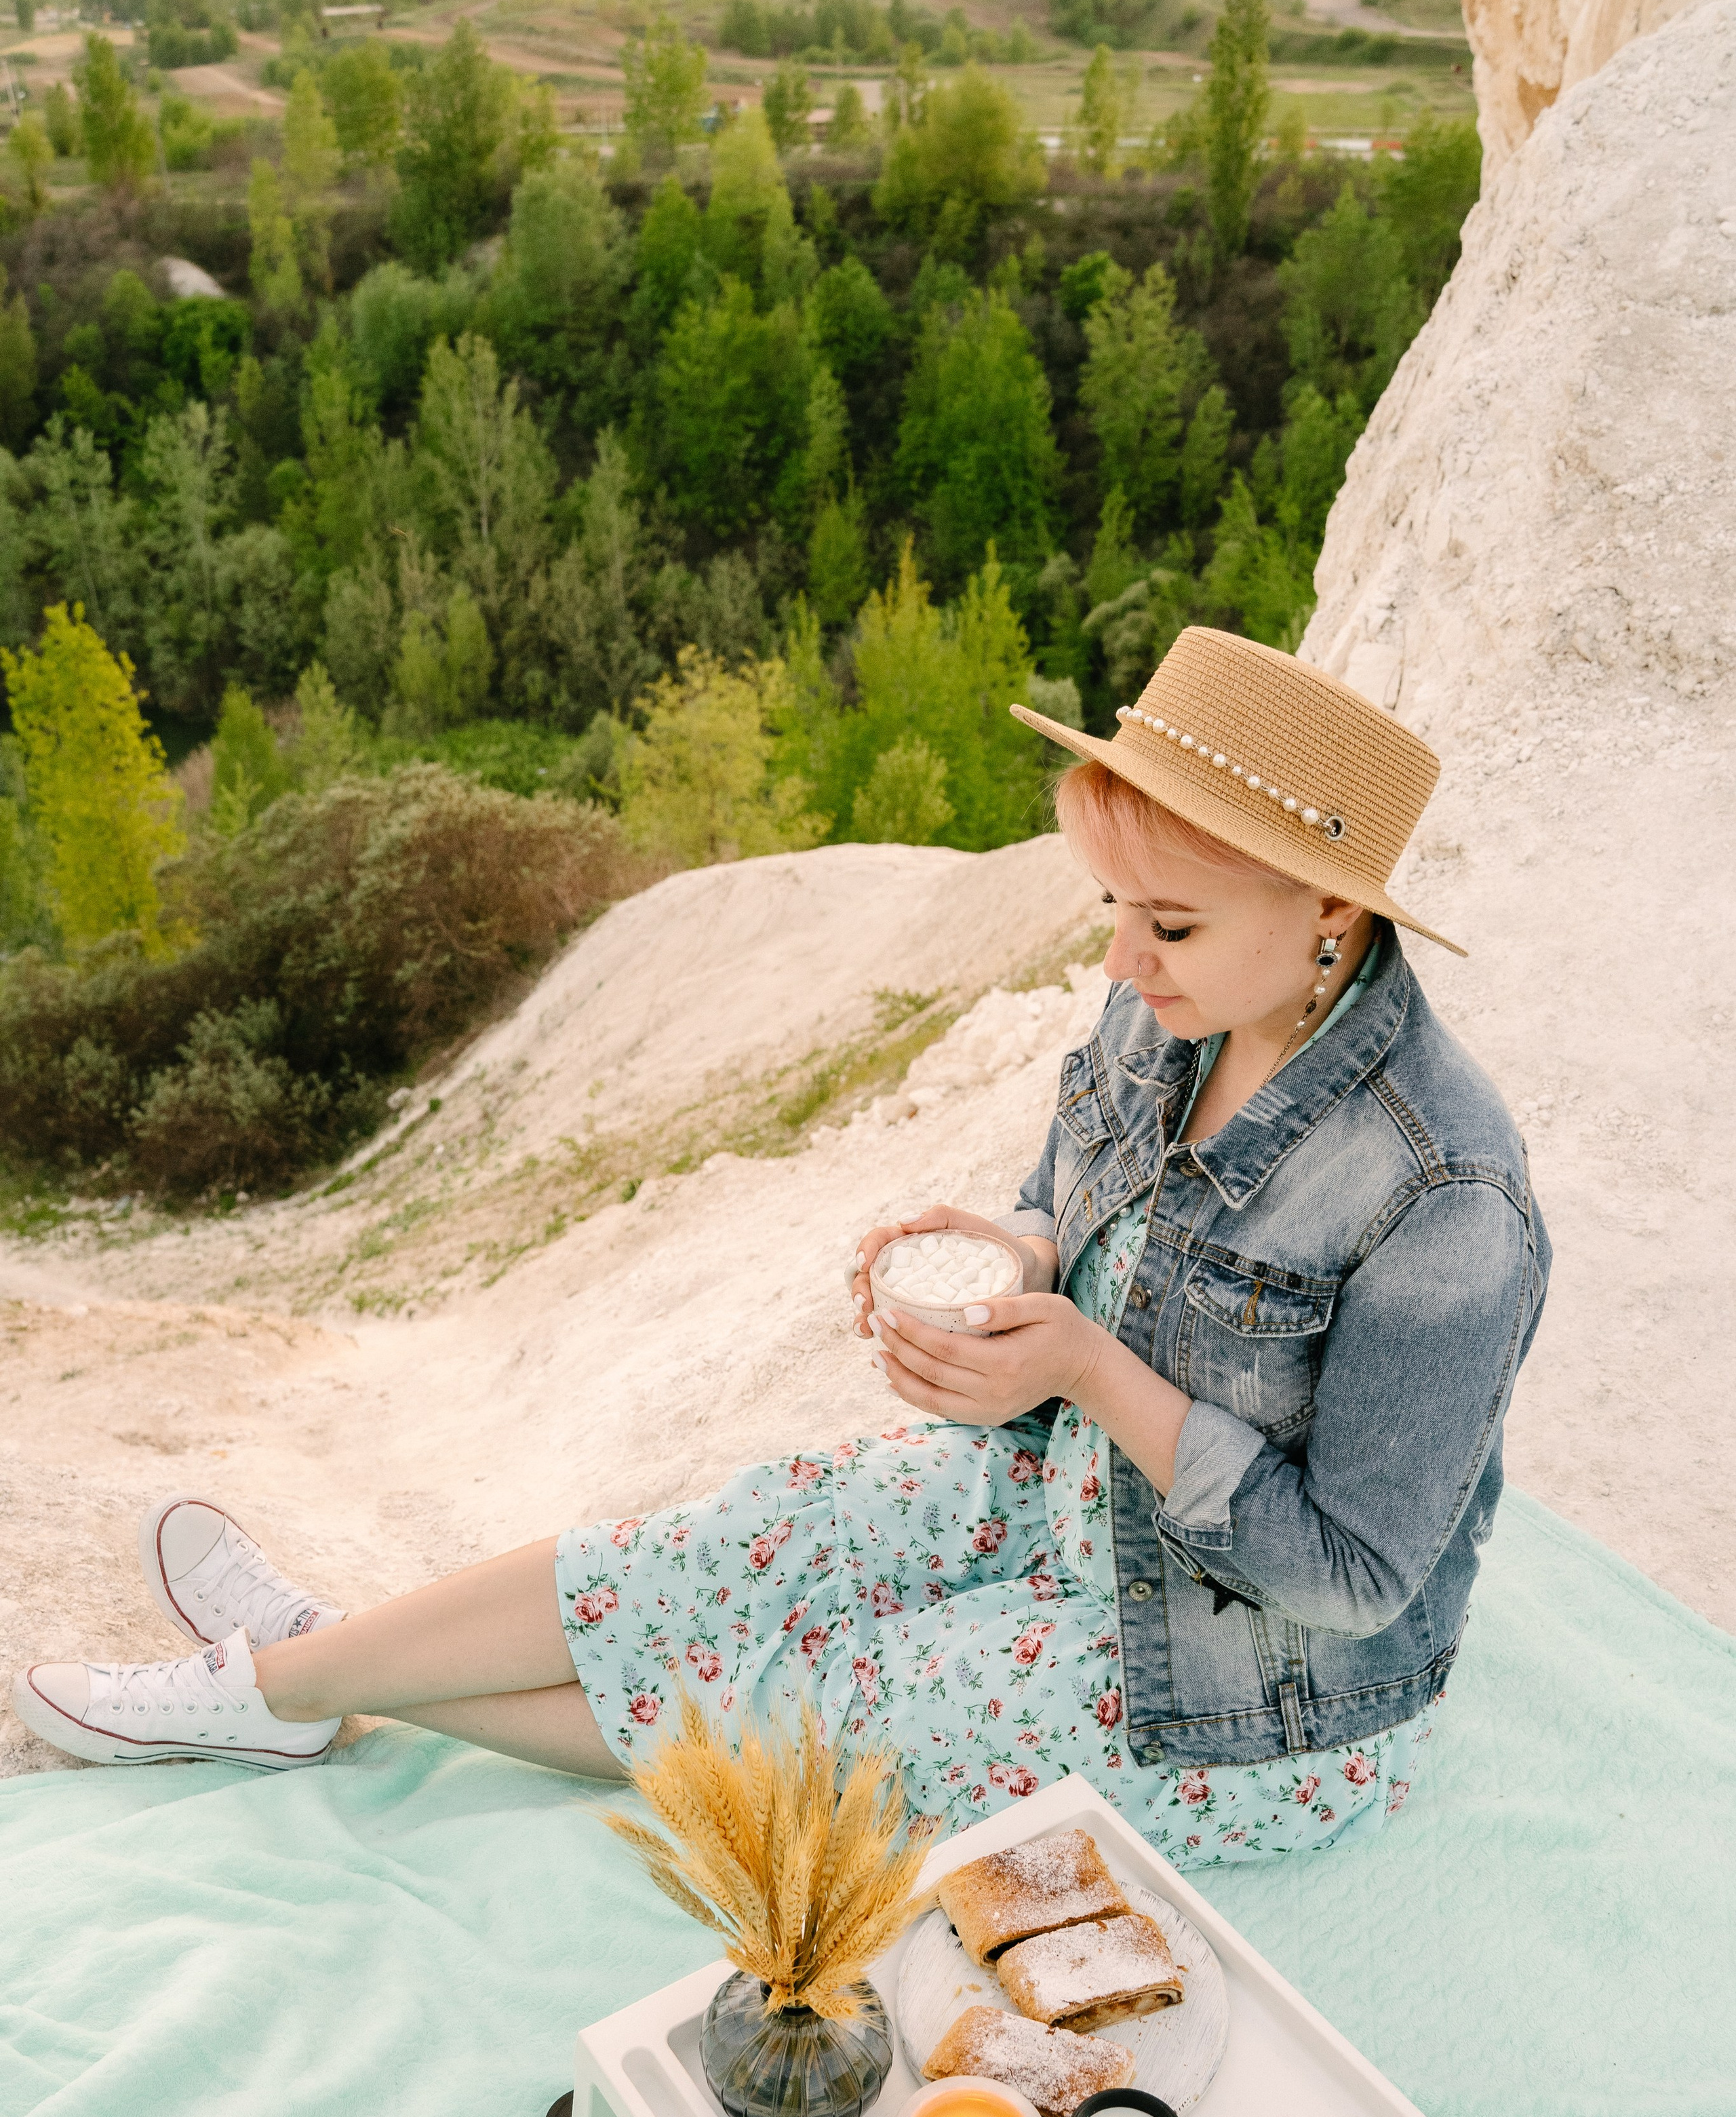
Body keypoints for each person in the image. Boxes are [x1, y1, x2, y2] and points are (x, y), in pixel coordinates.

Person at [14, 629, 1549, 1870]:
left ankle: (300, 1674)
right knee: (690, 1559)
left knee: (806, 1705)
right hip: (1055, 1483)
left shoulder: (1443, 1196)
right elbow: (1078, 1209)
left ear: (1333, 914)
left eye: (1164, 922)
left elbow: (1350, 1576)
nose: (1112, 957)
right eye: (1106, 905)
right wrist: (1018, 1260)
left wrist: (1084, 1367)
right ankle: (302, 1674)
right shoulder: (1174, 995)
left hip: (1243, 1684)